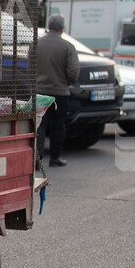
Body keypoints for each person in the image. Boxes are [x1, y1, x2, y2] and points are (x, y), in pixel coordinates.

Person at [32, 14, 80, 168]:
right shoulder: (68, 47)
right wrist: (66, 82)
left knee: (39, 125)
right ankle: (55, 158)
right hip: (60, 93)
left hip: (39, 92)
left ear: (48, 26)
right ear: (62, 29)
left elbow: (29, 68)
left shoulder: (36, 44)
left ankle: (36, 160)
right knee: (58, 127)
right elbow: (73, 72)